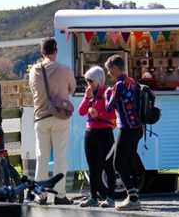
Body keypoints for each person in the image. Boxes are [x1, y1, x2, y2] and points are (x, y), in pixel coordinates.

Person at [28, 38, 76, 205]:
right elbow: (73, 88)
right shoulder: (65, 70)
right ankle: (60, 195)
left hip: (41, 117)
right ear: (55, 51)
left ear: (42, 52)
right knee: (60, 157)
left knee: (41, 156)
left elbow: (33, 89)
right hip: (60, 117)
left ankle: (40, 195)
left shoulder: (34, 70)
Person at [105, 54, 142, 210]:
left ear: (115, 68)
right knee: (127, 161)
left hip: (127, 128)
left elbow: (109, 107)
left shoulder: (119, 85)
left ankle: (132, 198)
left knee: (118, 163)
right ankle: (133, 196)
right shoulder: (131, 82)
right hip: (138, 128)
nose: (108, 73)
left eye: (109, 70)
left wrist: (107, 93)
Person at [78, 66, 117, 208]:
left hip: (105, 133)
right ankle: (93, 197)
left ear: (99, 80)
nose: (88, 84)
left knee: (108, 166)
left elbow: (112, 114)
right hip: (90, 133)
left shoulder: (108, 92)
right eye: (87, 81)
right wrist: (87, 98)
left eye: (91, 81)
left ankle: (111, 197)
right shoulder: (89, 93)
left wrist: (98, 114)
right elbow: (81, 112)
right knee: (92, 167)